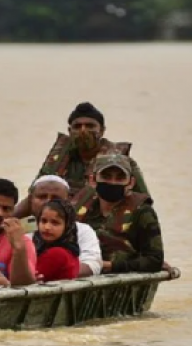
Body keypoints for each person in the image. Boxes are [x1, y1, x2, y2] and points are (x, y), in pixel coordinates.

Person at [15, 101, 149, 215]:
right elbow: (34, 198)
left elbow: (143, 203)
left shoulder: (122, 162)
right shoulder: (58, 160)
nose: (83, 130)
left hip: (104, 225)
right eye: (77, 126)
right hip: (57, 224)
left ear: (102, 130)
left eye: (90, 126)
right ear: (70, 131)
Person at [77, 154, 164, 274]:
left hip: (120, 274)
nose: (113, 183)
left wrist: (112, 266)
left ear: (131, 183)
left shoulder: (142, 212)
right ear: (93, 180)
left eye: (120, 178)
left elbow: (155, 260)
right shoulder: (79, 209)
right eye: (106, 177)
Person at [27, 175, 102, 277]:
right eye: (42, 197)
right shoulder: (22, 229)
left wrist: (62, 270)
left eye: (56, 198)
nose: (48, 202)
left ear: (68, 199)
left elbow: (93, 265)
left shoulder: (83, 230)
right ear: (31, 199)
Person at [33, 199, 80, 282]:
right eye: (43, 221)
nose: (47, 227)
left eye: (55, 223)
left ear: (67, 226)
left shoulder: (57, 253)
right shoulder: (70, 251)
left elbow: (27, 281)